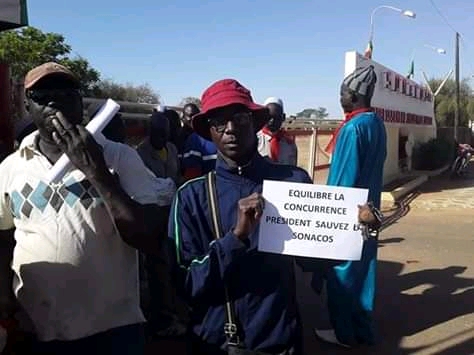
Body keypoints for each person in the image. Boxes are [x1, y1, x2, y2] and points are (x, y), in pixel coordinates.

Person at [0, 62, 167, 354]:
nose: (54, 101)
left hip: (113, 330)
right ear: (27, 105)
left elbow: (148, 238)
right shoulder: (11, 168)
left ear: (80, 102)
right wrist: (5, 300)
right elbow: (3, 239)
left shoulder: (119, 157)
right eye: (41, 95)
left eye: (65, 92)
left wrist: (96, 170)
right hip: (39, 328)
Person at [170, 78, 328, 354]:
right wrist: (236, 237)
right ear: (209, 130)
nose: (231, 129)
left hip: (281, 342)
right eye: (219, 121)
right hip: (219, 343)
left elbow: (314, 261)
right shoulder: (190, 197)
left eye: (240, 118)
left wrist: (356, 230)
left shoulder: (292, 182)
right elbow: (186, 283)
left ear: (255, 124)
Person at [313, 65, 387, 348]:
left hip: (349, 216)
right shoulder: (376, 124)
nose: (340, 97)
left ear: (354, 95)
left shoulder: (353, 128)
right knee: (364, 273)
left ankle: (344, 333)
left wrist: (327, 216)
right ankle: (363, 331)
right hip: (371, 214)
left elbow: (343, 181)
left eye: (342, 93)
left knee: (341, 274)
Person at [136, 111, 186, 337]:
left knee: (173, 260)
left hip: (173, 213)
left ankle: (172, 307)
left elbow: (175, 178)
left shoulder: (173, 150)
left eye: (165, 133)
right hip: (152, 215)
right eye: (157, 133)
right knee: (157, 264)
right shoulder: (139, 154)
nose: (161, 138)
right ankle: (160, 315)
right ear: (149, 132)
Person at [257, 97, 297, 165]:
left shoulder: (289, 144)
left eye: (277, 117)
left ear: (283, 117)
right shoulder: (255, 140)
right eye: (269, 117)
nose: (272, 121)